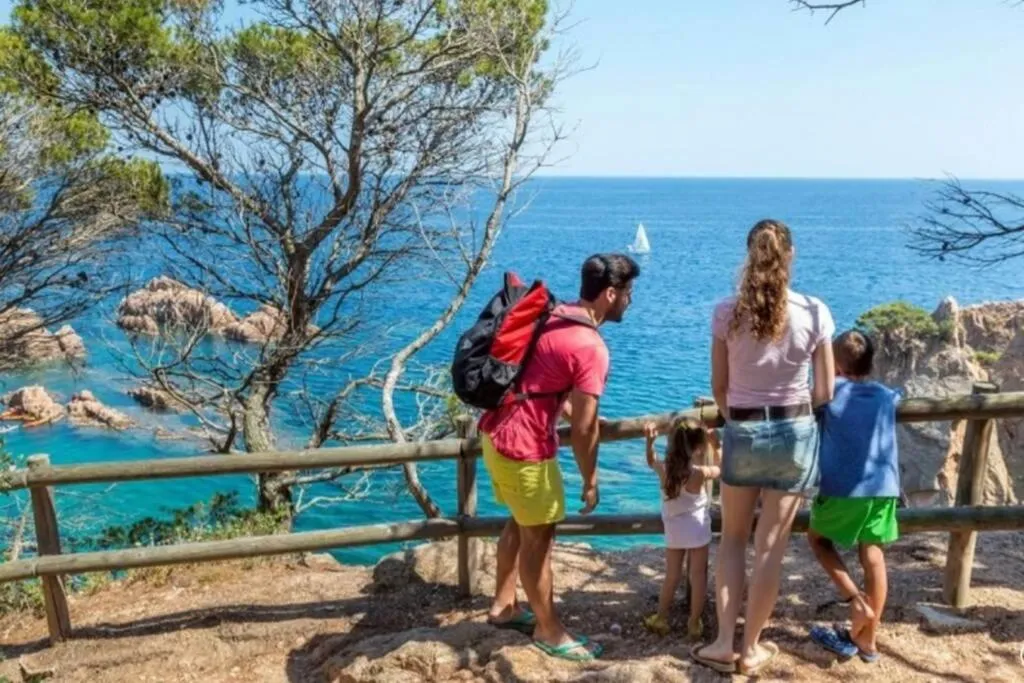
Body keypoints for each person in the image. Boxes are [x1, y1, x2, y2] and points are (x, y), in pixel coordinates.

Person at [479, 253, 640, 662]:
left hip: (496, 431)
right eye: (627, 292)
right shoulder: (590, 346)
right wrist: (590, 478)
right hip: (525, 447)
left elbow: (540, 380)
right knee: (540, 538)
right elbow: (585, 430)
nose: (629, 300)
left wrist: (567, 411)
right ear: (609, 294)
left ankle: (504, 605)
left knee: (520, 521)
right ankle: (548, 630)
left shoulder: (554, 315)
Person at [692, 219, 835, 676]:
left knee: (733, 539)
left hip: (744, 429)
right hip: (795, 433)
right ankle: (751, 649)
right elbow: (825, 391)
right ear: (790, 254)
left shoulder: (726, 313)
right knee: (770, 546)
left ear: (749, 254)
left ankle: (722, 643)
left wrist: (738, 419)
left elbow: (719, 387)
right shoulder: (814, 311)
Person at [808, 330, 900, 664]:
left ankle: (856, 601)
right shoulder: (885, 395)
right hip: (885, 488)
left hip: (843, 489)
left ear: (835, 365)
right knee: (873, 555)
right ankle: (868, 641)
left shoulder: (830, 394)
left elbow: (811, 404)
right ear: (870, 365)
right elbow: (897, 398)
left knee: (818, 540)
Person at [641, 417, 720, 640]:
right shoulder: (699, 473)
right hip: (698, 529)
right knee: (698, 575)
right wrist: (717, 446)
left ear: (672, 442)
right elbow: (721, 468)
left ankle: (661, 618)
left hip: (674, 530)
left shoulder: (664, 470)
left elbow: (651, 460)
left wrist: (649, 442)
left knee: (672, 575)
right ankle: (694, 622)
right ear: (698, 447)